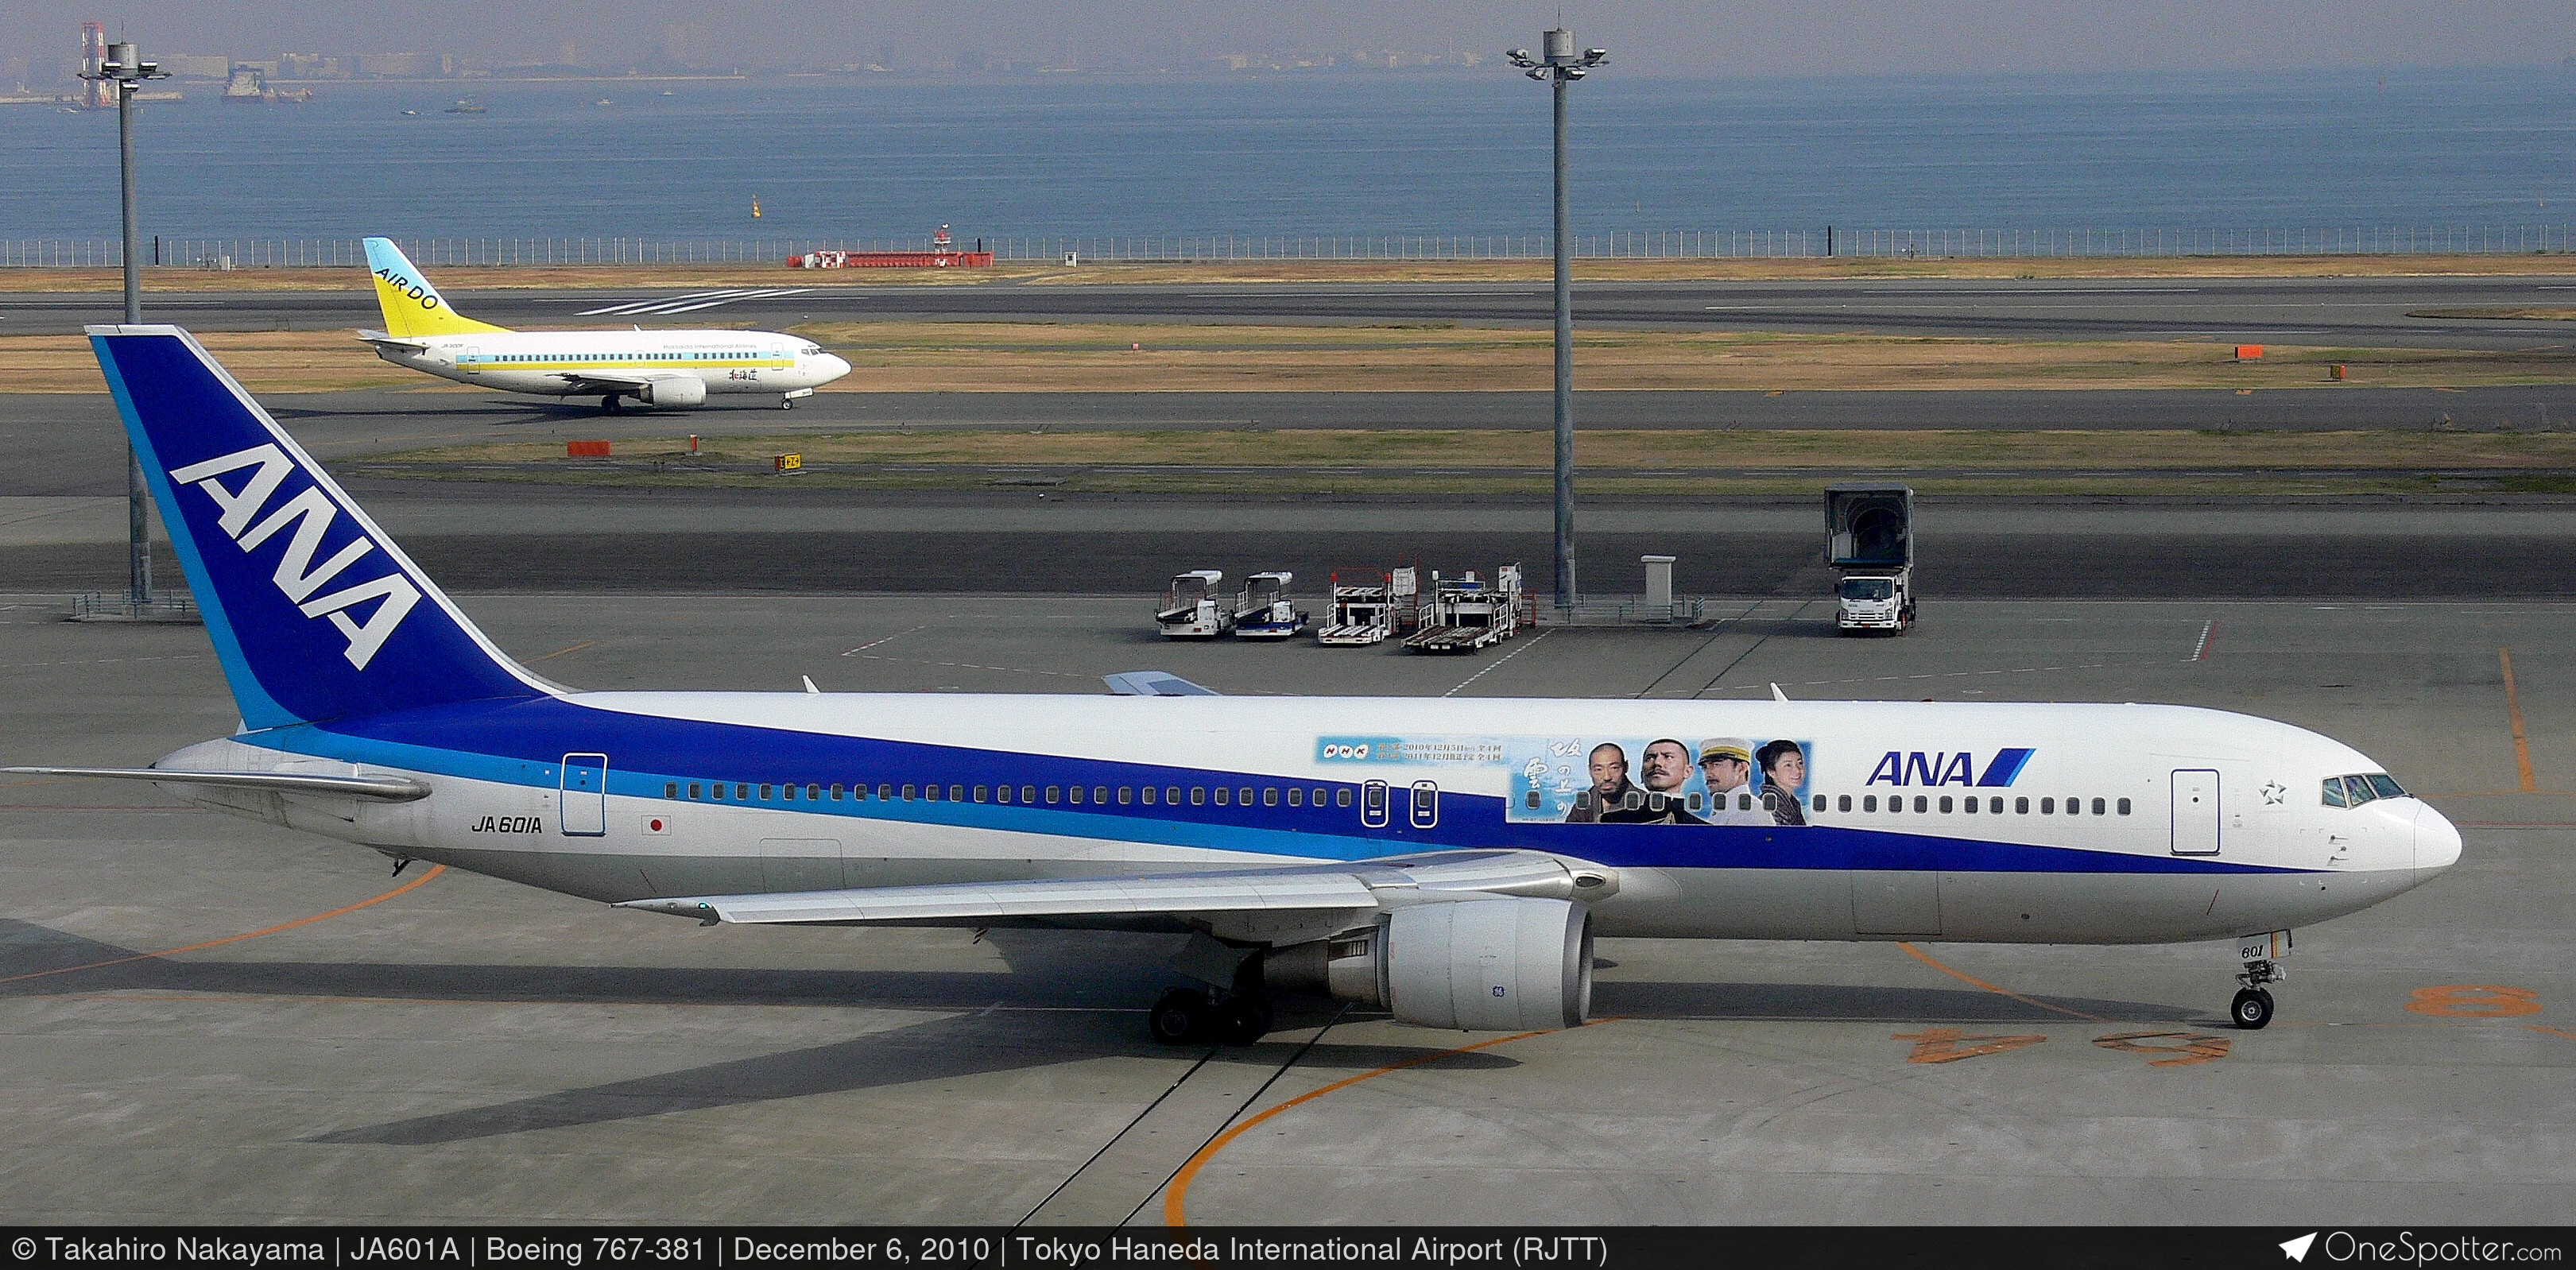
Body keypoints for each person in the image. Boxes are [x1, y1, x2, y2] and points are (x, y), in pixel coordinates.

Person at [1602, 738, 1707, 825]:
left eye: (1668, 757)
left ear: (1687, 771)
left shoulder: (1704, 828)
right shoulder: (1612, 821)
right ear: (1642, 774)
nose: (1657, 763)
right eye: (1650, 758)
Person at [1696, 737, 1773, 826]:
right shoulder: (1730, 807)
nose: (1708, 774)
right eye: (1705, 767)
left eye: (1716, 764)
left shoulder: (1749, 811)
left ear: (1741, 768)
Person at [1563, 741, 1639, 823]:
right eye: (1598, 770)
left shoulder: (1643, 802)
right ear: (1590, 771)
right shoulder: (1584, 805)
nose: (1607, 777)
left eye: (1614, 768)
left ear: (1626, 767)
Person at [1757, 739, 1810, 827]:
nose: (1797, 770)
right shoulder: (1769, 805)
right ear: (1771, 771)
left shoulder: (1794, 803)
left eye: (1800, 763)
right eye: (1788, 765)